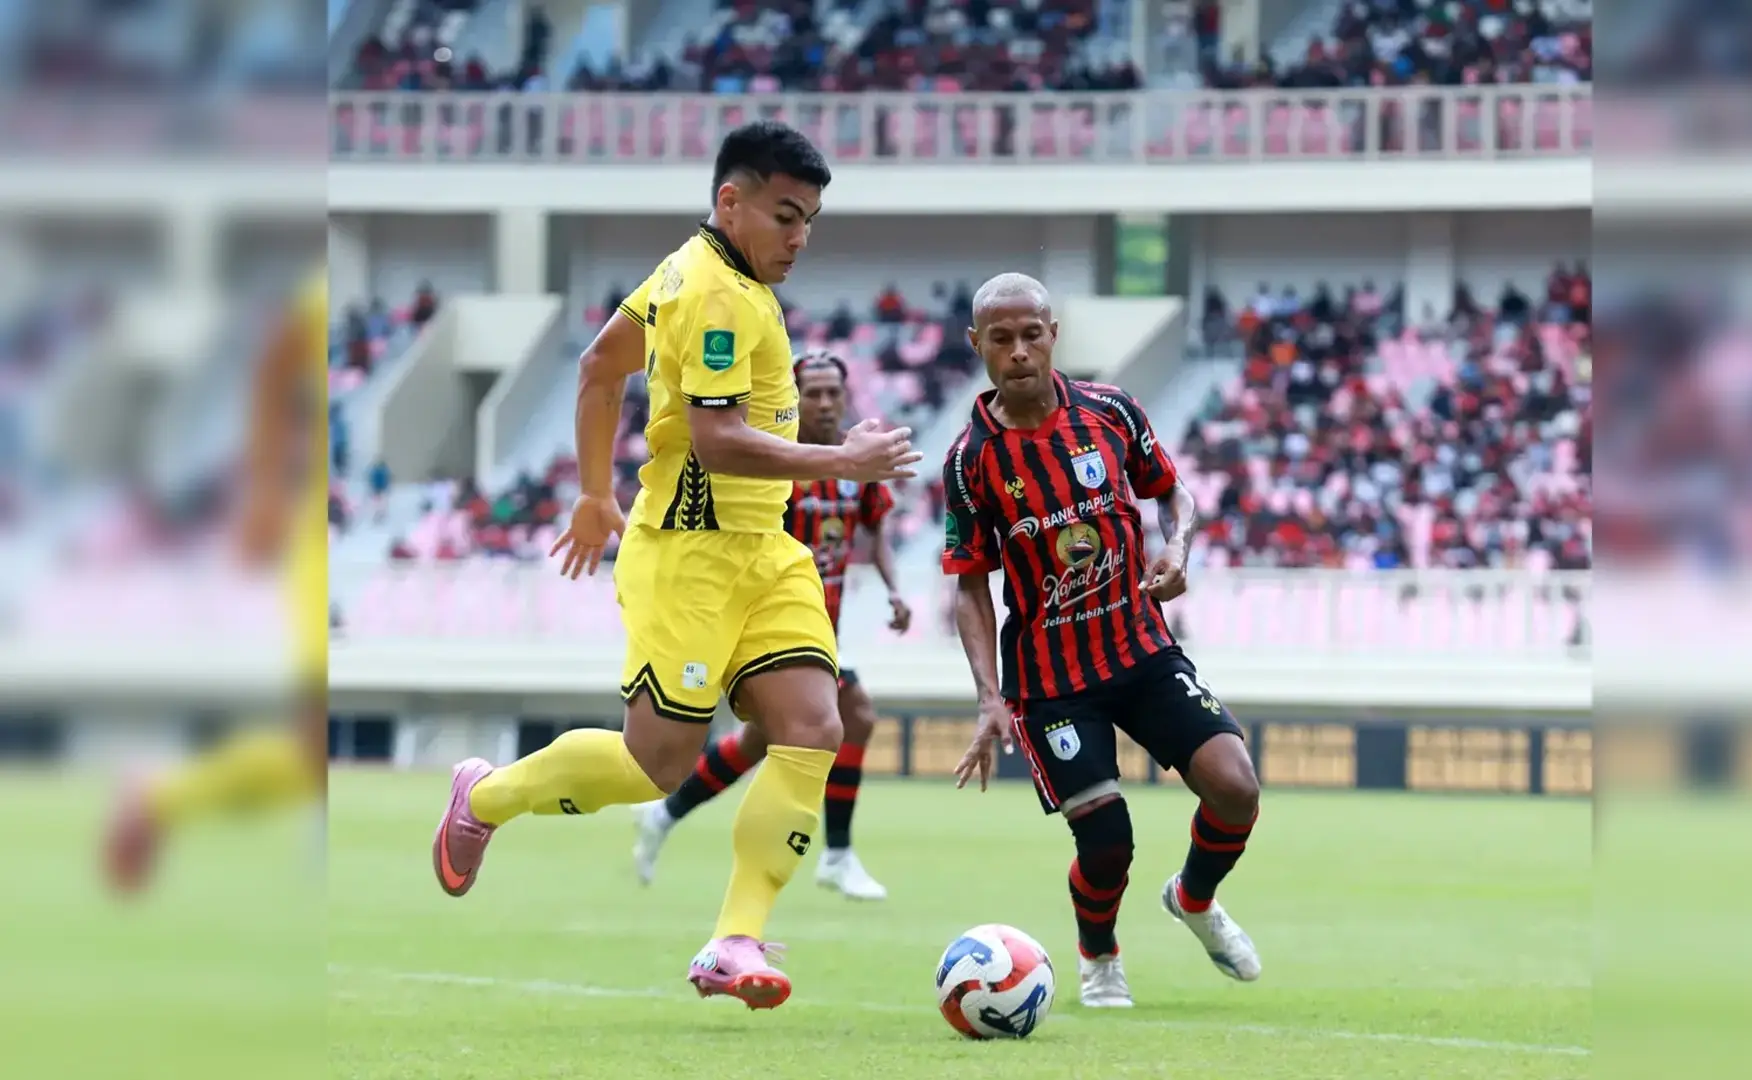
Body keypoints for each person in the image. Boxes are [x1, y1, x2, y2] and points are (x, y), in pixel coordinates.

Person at [427, 121, 920, 1012]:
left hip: (766, 551)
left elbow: (597, 366)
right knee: (655, 762)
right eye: (784, 215)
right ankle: (486, 796)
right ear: (729, 201)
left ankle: (736, 937)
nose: (799, 237)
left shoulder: (695, 268)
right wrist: (841, 461)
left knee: (815, 724)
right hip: (689, 555)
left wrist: (591, 493)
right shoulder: (713, 294)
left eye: (808, 219)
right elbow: (719, 441)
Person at [943, 273, 1263, 1009]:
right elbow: (968, 583)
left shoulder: (1112, 412)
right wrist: (989, 698)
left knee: (1236, 787)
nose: (1019, 351)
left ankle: (1193, 897)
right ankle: (1099, 956)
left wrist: (1177, 547)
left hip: (1141, 650)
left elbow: (1172, 490)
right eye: (1001, 339)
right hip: (1052, 683)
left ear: (1054, 333)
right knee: (1107, 840)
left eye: (1032, 334)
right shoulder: (969, 462)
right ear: (978, 346)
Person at [632, 351, 913, 900]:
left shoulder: (854, 464)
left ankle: (665, 814)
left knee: (761, 742)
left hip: (820, 629)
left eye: (835, 392)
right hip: (770, 628)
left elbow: (874, 528)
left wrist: (894, 589)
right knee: (854, 716)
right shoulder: (773, 465)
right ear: (793, 397)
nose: (827, 403)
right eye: (814, 393)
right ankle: (831, 854)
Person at [102, 263, 330, 892]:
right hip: (316, 532)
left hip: (329, 522)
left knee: (316, 746)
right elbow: (278, 363)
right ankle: (161, 797)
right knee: (317, 732)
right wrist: (264, 489)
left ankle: (160, 797)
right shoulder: (318, 295)